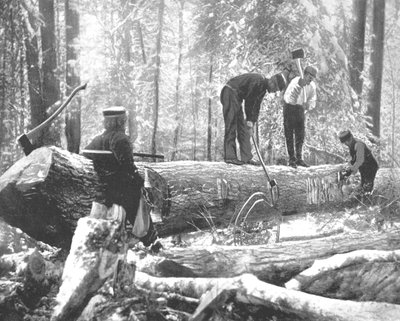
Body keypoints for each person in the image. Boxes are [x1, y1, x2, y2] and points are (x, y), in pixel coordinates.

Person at [83, 106, 162, 252]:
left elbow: (85, 154)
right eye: (124, 120)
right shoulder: (121, 139)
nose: (125, 123)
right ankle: (153, 245)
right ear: (120, 121)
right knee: (141, 209)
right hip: (123, 192)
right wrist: (141, 183)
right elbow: (128, 168)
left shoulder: (98, 139)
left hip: (104, 192)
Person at [220, 72, 286, 165]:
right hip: (230, 92)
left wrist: (252, 122)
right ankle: (230, 157)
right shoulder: (258, 81)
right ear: (272, 81)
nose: (274, 91)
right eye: (275, 89)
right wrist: (249, 121)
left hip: (236, 97)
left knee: (243, 127)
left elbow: (256, 107)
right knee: (232, 124)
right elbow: (249, 101)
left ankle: (246, 157)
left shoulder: (263, 89)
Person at [283, 65, 317, 168]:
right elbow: (288, 98)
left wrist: (309, 106)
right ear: (305, 74)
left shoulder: (312, 86)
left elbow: (313, 100)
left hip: (300, 110)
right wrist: (298, 87)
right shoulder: (296, 81)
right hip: (290, 108)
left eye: (313, 76)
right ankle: (292, 159)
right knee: (289, 134)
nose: (310, 78)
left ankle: (299, 158)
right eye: (309, 75)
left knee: (300, 135)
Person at [338, 130, 379, 195]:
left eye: (347, 141)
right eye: (345, 142)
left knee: (367, 186)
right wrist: (348, 169)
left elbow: (360, 160)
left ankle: (368, 200)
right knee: (362, 185)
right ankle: (362, 197)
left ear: (351, 137)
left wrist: (351, 170)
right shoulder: (351, 145)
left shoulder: (359, 144)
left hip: (370, 166)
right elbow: (354, 159)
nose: (347, 143)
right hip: (363, 167)